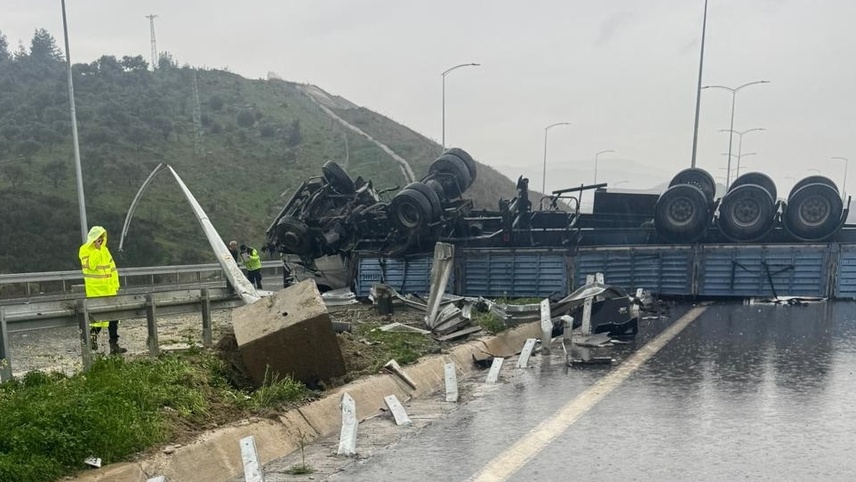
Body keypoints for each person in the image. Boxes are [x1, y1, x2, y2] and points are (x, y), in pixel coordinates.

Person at [78, 226, 127, 354]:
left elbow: (112, 269)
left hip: (109, 289)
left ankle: (114, 344)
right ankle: (92, 339)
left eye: (102, 238)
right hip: (96, 290)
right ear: (93, 238)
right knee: (97, 318)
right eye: (98, 238)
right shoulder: (84, 250)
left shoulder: (105, 250)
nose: (100, 240)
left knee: (114, 318)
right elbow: (91, 266)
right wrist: (96, 250)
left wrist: (116, 284)